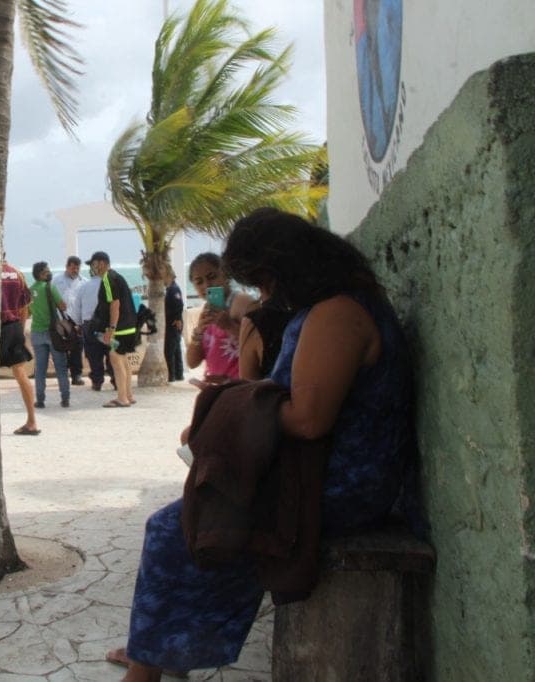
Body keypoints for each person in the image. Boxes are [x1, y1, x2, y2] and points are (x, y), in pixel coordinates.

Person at [111, 208, 415, 680]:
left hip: (342, 486)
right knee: (197, 513)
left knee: (179, 527)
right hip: (322, 471)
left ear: (286, 270)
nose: (264, 295)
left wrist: (225, 412)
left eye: (263, 283)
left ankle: (148, 665)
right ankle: (158, 650)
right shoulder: (335, 306)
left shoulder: (338, 314)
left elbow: (308, 419)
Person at [186, 252, 255, 387]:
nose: (206, 285)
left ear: (226, 275)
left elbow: (261, 345)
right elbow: (192, 363)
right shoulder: (207, 310)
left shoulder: (243, 302)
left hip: (242, 390)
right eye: (199, 282)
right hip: (219, 392)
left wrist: (229, 326)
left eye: (212, 277)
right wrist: (199, 331)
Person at [87, 251, 139, 408]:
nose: (92, 268)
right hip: (129, 326)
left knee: (115, 358)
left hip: (120, 328)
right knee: (123, 360)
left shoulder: (108, 279)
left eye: (93, 264)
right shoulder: (117, 276)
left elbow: (114, 304)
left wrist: (111, 328)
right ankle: (129, 395)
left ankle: (122, 398)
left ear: (101, 263)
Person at [0, 256, 39, 435]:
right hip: (15, 327)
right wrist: (21, 332)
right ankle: (32, 421)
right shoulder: (17, 274)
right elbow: (24, 308)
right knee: (21, 374)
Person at [29, 261, 70, 408]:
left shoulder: (29, 290)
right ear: (41, 274)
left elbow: (28, 311)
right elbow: (63, 306)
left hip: (36, 332)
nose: (49, 273)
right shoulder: (50, 287)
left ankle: (40, 400)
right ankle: (65, 398)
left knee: (40, 369)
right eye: (47, 271)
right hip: (54, 333)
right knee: (60, 367)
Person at [51, 255, 86, 385]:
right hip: (61, 320)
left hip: (77, 321)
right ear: (67, 267)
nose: (75, 270)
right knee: (61, 348)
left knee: (77, 348)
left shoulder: (84, 282)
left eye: (77, 268)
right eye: (72, 268)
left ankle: (76, 376)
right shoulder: (56, 279)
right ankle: (63, 375)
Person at [77, 267, 113, 391]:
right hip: (108, 323)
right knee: (111, 353)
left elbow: (78, 307)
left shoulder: (84, 286)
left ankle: (97, 382)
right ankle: (116, 380)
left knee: (94, 355)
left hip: (89, 325)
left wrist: (79, 324)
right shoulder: (109, 284)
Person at [164, 269, 185, 382]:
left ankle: (171, 375)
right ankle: (178, 374)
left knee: (170, 350)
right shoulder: (170, 289)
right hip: (172, 322)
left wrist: (177, 319)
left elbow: (179, 305)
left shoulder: (173, 289)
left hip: (173, 323)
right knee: (176, 350)